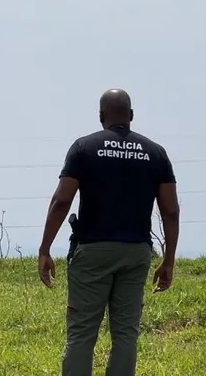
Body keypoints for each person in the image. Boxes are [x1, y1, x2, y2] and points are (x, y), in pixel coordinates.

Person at [38, 88, 180, 376]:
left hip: (92, 250)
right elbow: (171, 210)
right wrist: (169, 259)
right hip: (136, 251)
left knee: (82, 334)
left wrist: (45, 248)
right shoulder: (156, 153)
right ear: (131, 116)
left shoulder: (84, 147)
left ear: (102, 116)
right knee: (126, 334)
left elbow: (62, 200)